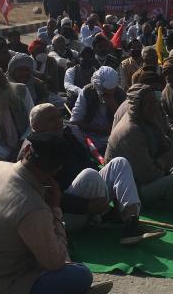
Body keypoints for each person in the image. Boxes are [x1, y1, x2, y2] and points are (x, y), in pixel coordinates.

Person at [0, 132, 113, 294]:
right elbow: (56, 262)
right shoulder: (32, 206)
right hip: (0, 293)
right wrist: (56, 209)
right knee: (81, 275)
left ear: (26, 149)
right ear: (56, 170)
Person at [27, 103, 163, 243]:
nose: (59, 121)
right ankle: (107, 215)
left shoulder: (67, 137)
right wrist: (86, 205)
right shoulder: (33, 152)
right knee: (90, 174)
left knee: (119, 163)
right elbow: (45, 196)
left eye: (59, 116)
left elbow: (88, 162)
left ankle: (131, 222)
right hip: (68, 213)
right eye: (51, 119)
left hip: (89, 198)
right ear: (36, 126)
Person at [106, 84, 173, 205]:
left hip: (154, 168)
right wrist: (166, 161)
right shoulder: (131, 131)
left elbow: (166, 145)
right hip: (135, 186)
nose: (154, 106)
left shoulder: (149, 117)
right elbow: (147, 175)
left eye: (154, 102)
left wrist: (170, 155)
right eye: (148, 104)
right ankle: (169, 195)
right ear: (138, 106)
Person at [69, 65, 126, 152]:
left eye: (112, 90)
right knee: (72, 130)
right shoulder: (87, 91)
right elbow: (74, 121)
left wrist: (115, 108)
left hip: (111, 136)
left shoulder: (120, 94)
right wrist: (98, 129)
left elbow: (125, 123)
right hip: (88, 134)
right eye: (105, 91)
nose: (110, 94)